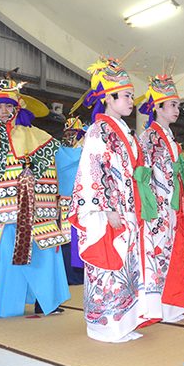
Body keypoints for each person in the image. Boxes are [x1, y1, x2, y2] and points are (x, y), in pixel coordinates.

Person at [68, 56, 160, 342]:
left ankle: (124, 323)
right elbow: (93, 169)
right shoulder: (99, 130)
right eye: (128, 95)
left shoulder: (125, 132)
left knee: (127, 268)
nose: (132, 100)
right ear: (109, 97)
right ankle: (104, 327)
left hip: (128, 208)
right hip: (109, 209)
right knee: (108, 268)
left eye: (132, 95)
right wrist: (105, 208)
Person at [0, 78, 69, 317]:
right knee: (4, 262)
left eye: (8, 106)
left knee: (42, 255)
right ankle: (10, 305)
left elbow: (63, 160)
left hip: (32, 208)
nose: (4, 111)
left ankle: (46, 302)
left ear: (17, 107)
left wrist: (88, 146)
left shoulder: (37, 136)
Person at [138, 73, 184, 323]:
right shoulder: (148, 137)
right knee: (161, 254)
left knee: (177, 252)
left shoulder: (170, 137)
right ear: (158, 107)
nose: (177, 110)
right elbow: (143, 176)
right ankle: (161, 307)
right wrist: (151, 206)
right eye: (172, 105)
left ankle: (175, 303)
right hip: (160, 207)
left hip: (175, 205)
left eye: (177, 105)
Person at [55, 116, 86, 286]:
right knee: (70, 241)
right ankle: (73, 276)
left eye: (73, 133)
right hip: (70, 202)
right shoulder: (83, 151)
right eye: (68, 133)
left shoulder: (58, 152)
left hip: (71, 201)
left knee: (72, 240)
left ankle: (72, 276)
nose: (70, 137)